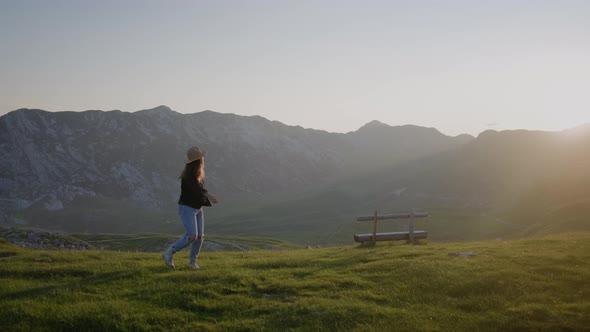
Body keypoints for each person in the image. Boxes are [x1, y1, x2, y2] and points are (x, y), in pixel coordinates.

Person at [162, 146, 219, 269]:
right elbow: (196, 188)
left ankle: (192, 262)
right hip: (187, 208)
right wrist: (210, 195)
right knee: (193, 236)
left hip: (196, 208)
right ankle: (169, 252)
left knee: (199, 237)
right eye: (201, 158)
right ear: (198, 160)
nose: (203, 159)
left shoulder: (197, 173)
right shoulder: (189, 175)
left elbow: (197, 189)